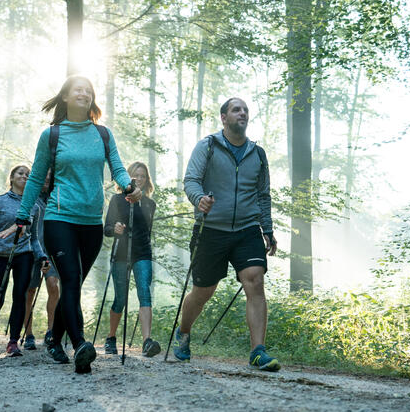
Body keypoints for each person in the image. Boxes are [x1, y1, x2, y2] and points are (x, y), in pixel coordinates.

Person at [1, 75, 141, 374]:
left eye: (89, 90)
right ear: (65, 96)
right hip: (58, 218)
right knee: (71, 280)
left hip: (91, 221)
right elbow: (37, 177)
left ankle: (53, 338)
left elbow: (117, 166)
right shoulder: (51, 135)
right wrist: (23, 215)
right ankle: (79, 345)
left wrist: (129, 187)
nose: (85, 93)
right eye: (78, 89)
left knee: (71, 286)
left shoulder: (102, 135)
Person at [173, 97, 280, 371]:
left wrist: (266, 229)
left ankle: (258, 351)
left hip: (247, 230)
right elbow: (191, 180)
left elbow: (262, 194)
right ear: (224, 117)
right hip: (211, 229)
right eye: (236, 109)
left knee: (255, 281)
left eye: (245, 110)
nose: (242, 113)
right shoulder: (208, 146)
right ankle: (184, 332)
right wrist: (199, 199)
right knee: (203, 291)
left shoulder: (257, 153)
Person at [0, 165, 49, 357]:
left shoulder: (34, 206)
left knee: (20, 296)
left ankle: (13, 341)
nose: (24, 176)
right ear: (11, 177)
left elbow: (34, 238)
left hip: (23, 255)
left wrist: (42, 256)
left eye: (28, 174)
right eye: (20, 173)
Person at [103, 161, 160, 357]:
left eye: (142, 176)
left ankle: (147, 341)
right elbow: (107, 228)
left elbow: (147, 231)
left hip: (142, 252)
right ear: (128, 178)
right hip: (120, 253)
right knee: (121, 298)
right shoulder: (117, 200)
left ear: (147, 180)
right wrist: (115, 228)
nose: (139, 179)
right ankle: (111, 337)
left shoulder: (150, 204)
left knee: (145, 293)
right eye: (135, 176)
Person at [22, 173, 61, 350]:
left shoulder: (57, 195)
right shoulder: (29, 195)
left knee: (53, 286)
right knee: (29, 290)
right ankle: (28, 333)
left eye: (49, 176)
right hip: (30, 249)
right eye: (43, 175)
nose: (46, 179)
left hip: (50, 250)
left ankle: (51, 331)